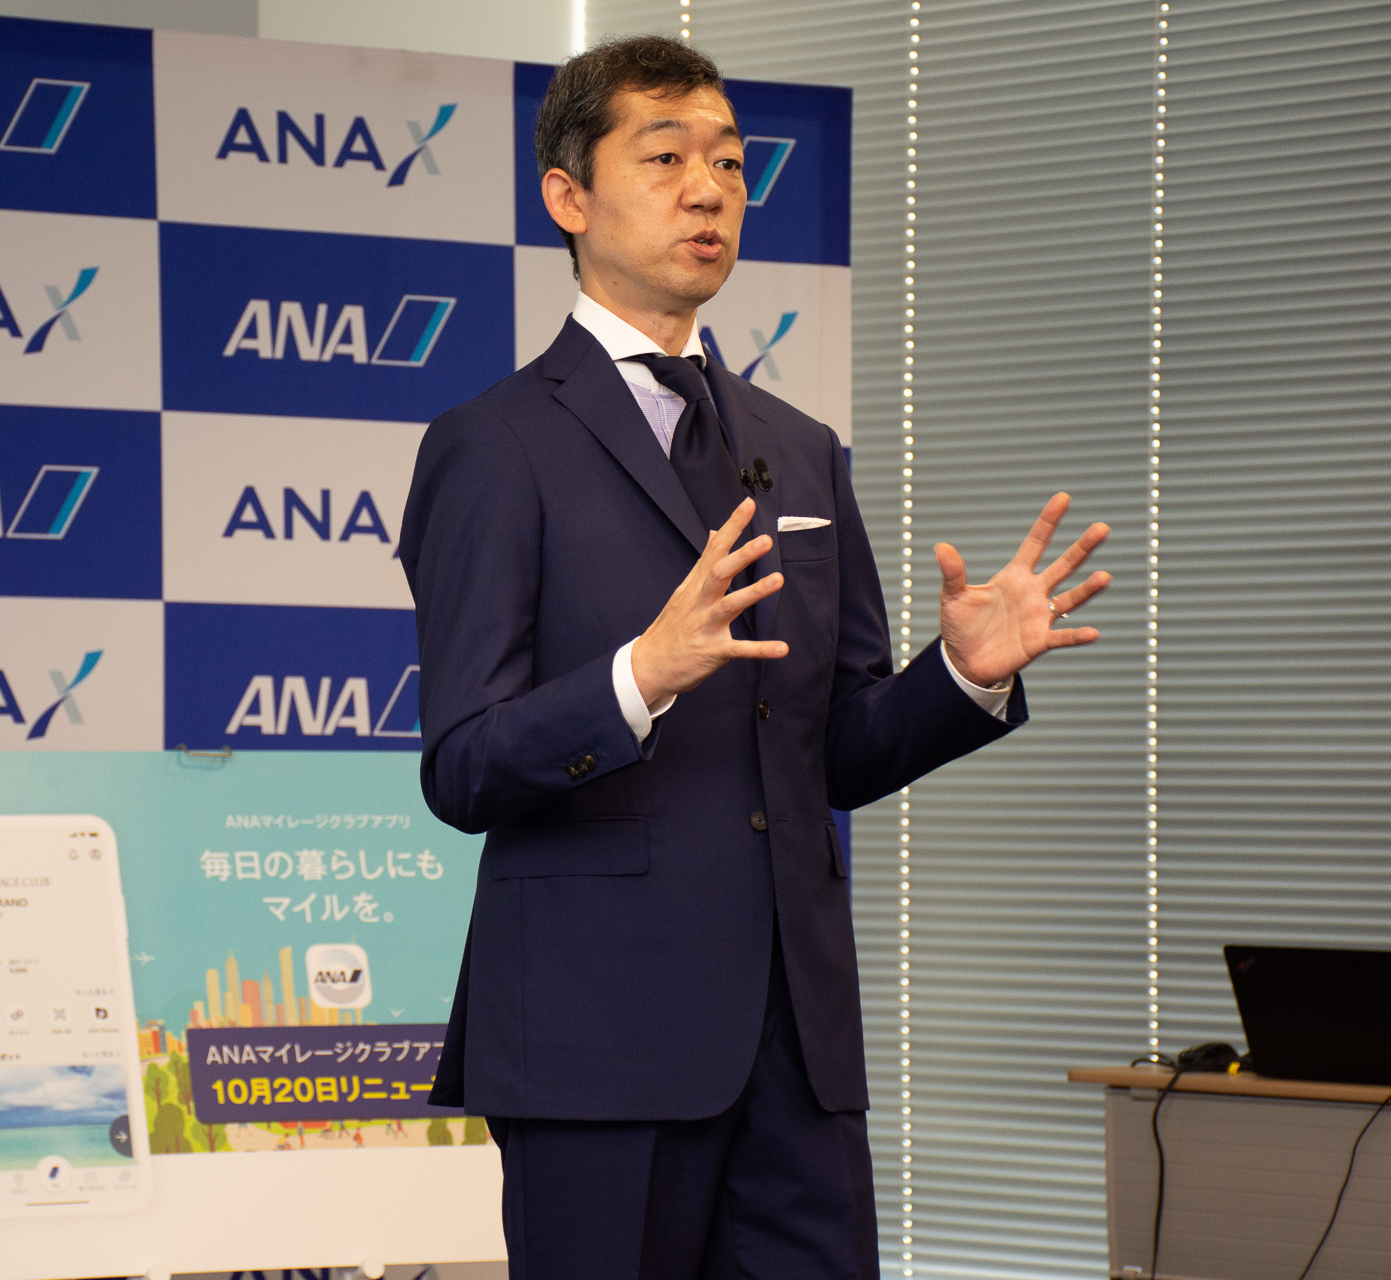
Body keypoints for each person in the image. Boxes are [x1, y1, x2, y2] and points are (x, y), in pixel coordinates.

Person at [398, 35, 1110, 1280]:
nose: (710, 190)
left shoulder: (801, 445)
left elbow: (840, 748)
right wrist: (640, 674)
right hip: (598, 1046)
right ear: (568, 196)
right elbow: (462, 765)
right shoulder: (494, 445)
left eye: (729, 163)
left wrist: (962, 675)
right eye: (665, 157)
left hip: (798, 1054)